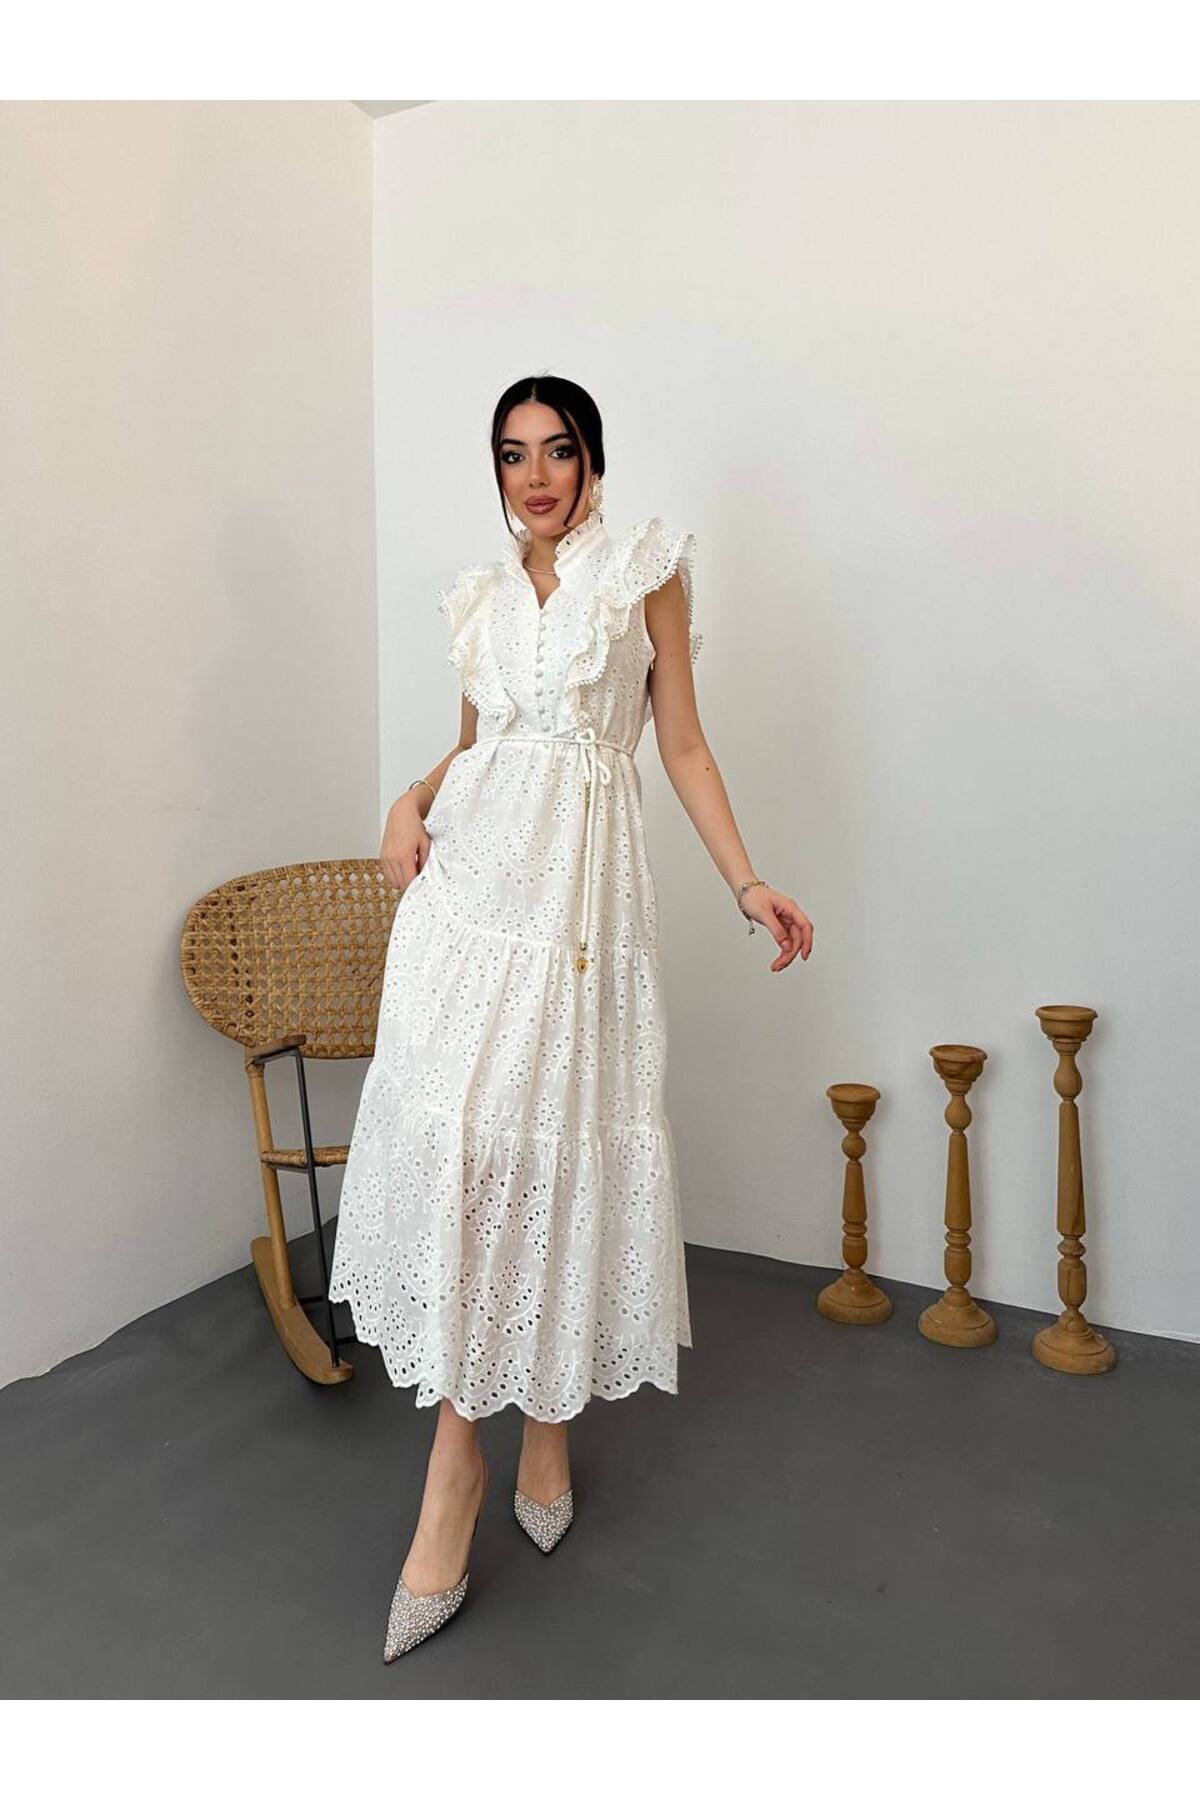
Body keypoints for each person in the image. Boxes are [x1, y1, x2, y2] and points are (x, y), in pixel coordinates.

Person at [327, 373, 814, 1661]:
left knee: (551, 1152)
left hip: (581, 914)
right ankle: (459, 1465)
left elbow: (682, 745)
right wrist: (408, 801)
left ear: (593, 460)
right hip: (469, 908)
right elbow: (479, 745)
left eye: (556, 451)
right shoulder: (481, 598)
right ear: (495, 472)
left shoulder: (645, 573)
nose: (535, 476)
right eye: (512, 455)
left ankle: (542, 1424)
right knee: (471, 1156)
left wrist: (747, 882)